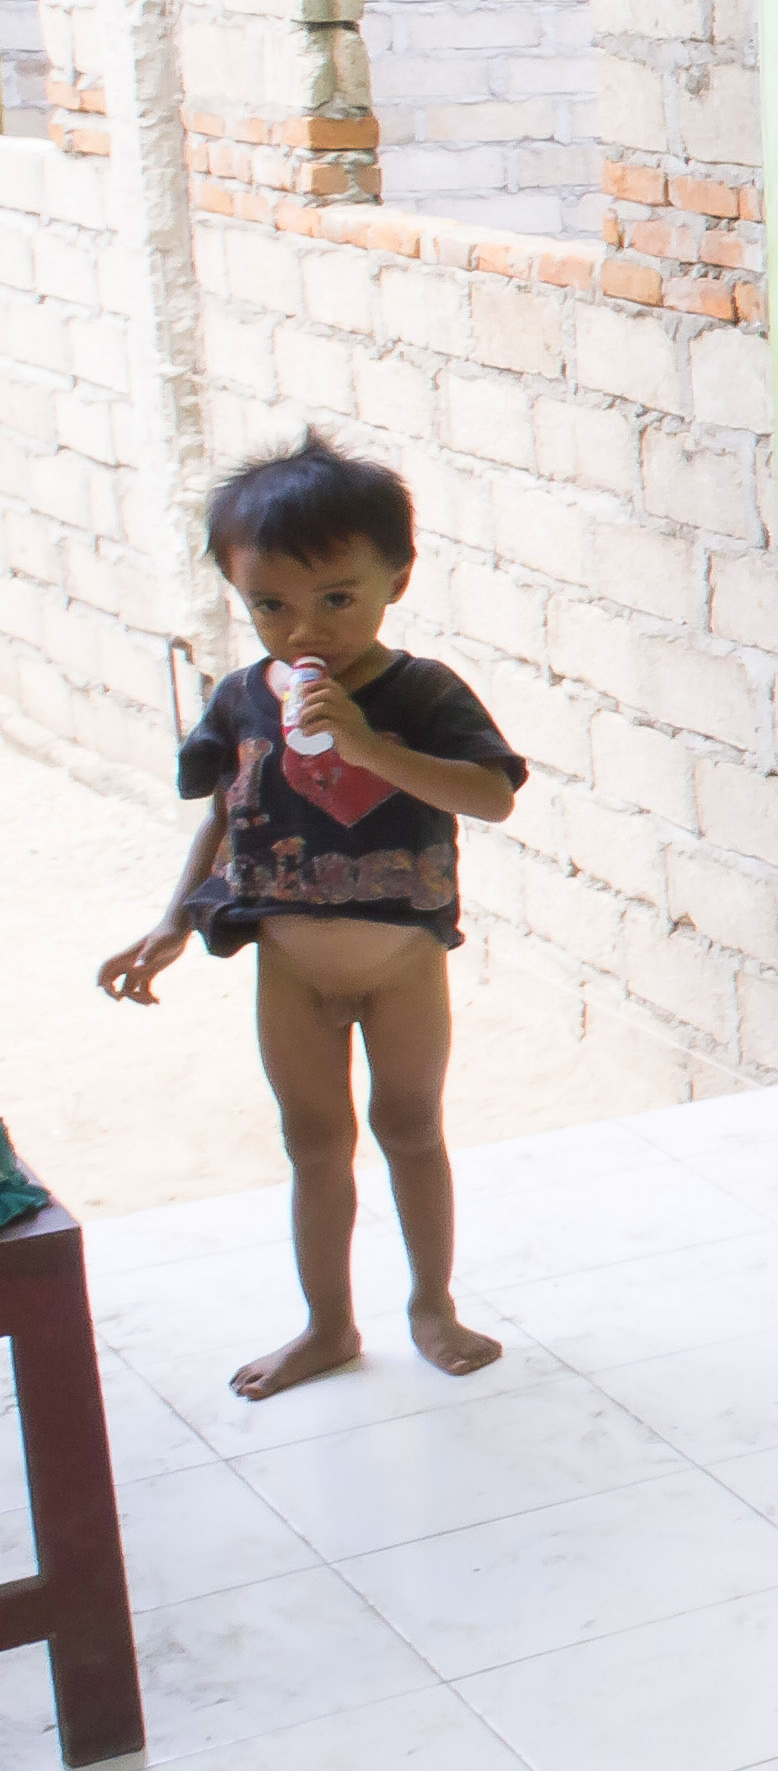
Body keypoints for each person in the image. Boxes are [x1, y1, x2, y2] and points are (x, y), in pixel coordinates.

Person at [94, 437, 531, 1399]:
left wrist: (370, 747)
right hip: (288, 965)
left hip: (402, 963)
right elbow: (226, 812)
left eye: (337, 598)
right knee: (314, 1146)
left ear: (396, 580)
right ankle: (328, 1326)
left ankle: (432, 1305)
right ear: (238, 595)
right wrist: (172, 923)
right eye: (271, 606)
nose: (305, 631)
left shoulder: (421, 692)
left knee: (410, 1128)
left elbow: (491, 797)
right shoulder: (241, 699)